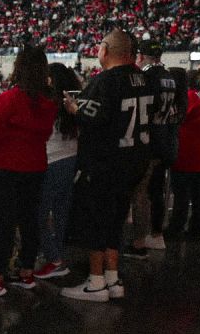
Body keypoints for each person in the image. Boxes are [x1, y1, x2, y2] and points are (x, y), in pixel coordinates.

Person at [61, 29, 155, 302]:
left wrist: (73, 109)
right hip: (135, 160)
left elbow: (92, 117)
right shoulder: (144, 79)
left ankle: (96, 282)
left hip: (106, 163)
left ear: (106, 49)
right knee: (115, 221)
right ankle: (113, 278)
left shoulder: (105, 82)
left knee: (97, 223)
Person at [0, 46, 57, 295]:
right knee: (30, 221)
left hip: (7, 168)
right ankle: (26, 272)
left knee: (6, 224)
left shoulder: (8, 100)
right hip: (35, 167)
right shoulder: (49, 102)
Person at [125, 42, 184, 256]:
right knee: (156, 190)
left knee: (144, 191)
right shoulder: (169, 76)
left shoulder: (148, 77)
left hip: (150, 139)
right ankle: (156, 232)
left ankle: (145, 236)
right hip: (165, 136)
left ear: (141, 55)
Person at [33, 63, 82, 280]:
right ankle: (58, 256)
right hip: (70, 159)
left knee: (39, 215)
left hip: (50, 161)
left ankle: (54, 259)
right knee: (62, 214)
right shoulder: (72, 102)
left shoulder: (47, 103)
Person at [168, 66, 200, 240]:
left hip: (189, 154)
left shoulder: (189, 98)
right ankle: (196, 228)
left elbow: (174, 119)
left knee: (182, 195)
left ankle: (176, 228)